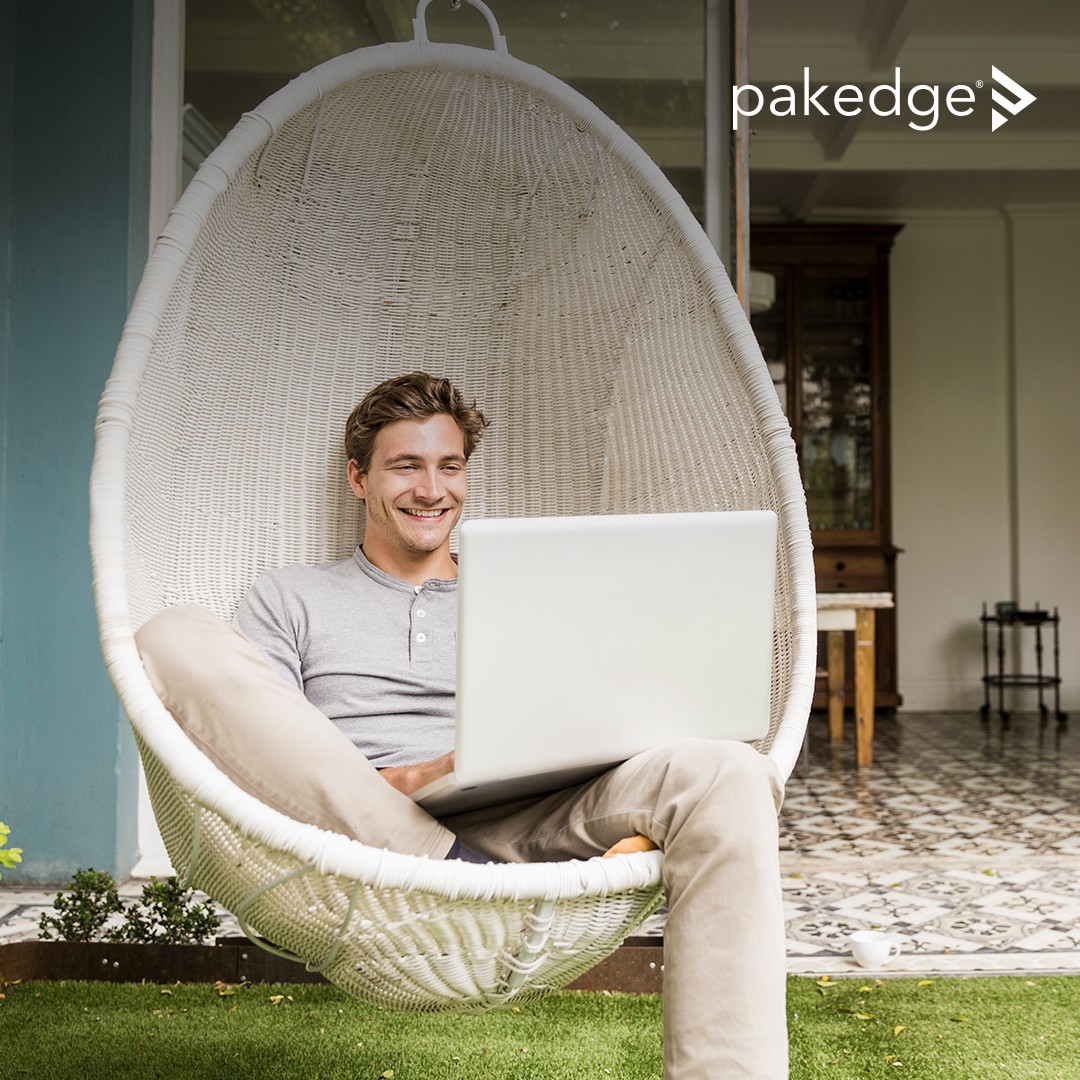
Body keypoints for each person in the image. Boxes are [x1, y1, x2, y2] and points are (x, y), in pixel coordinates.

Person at [136, 372, 789, 1079]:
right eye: (406, 466)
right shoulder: (293, 597)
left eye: (449, 466)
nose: (432, 489)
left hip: (531, 808)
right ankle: (456, 869)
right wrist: (404, 779)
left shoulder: (523, 588)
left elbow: (588, 711)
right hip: (366, 830)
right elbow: (265, 757)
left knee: (730, 772)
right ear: (359, 479)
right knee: (171, 635)